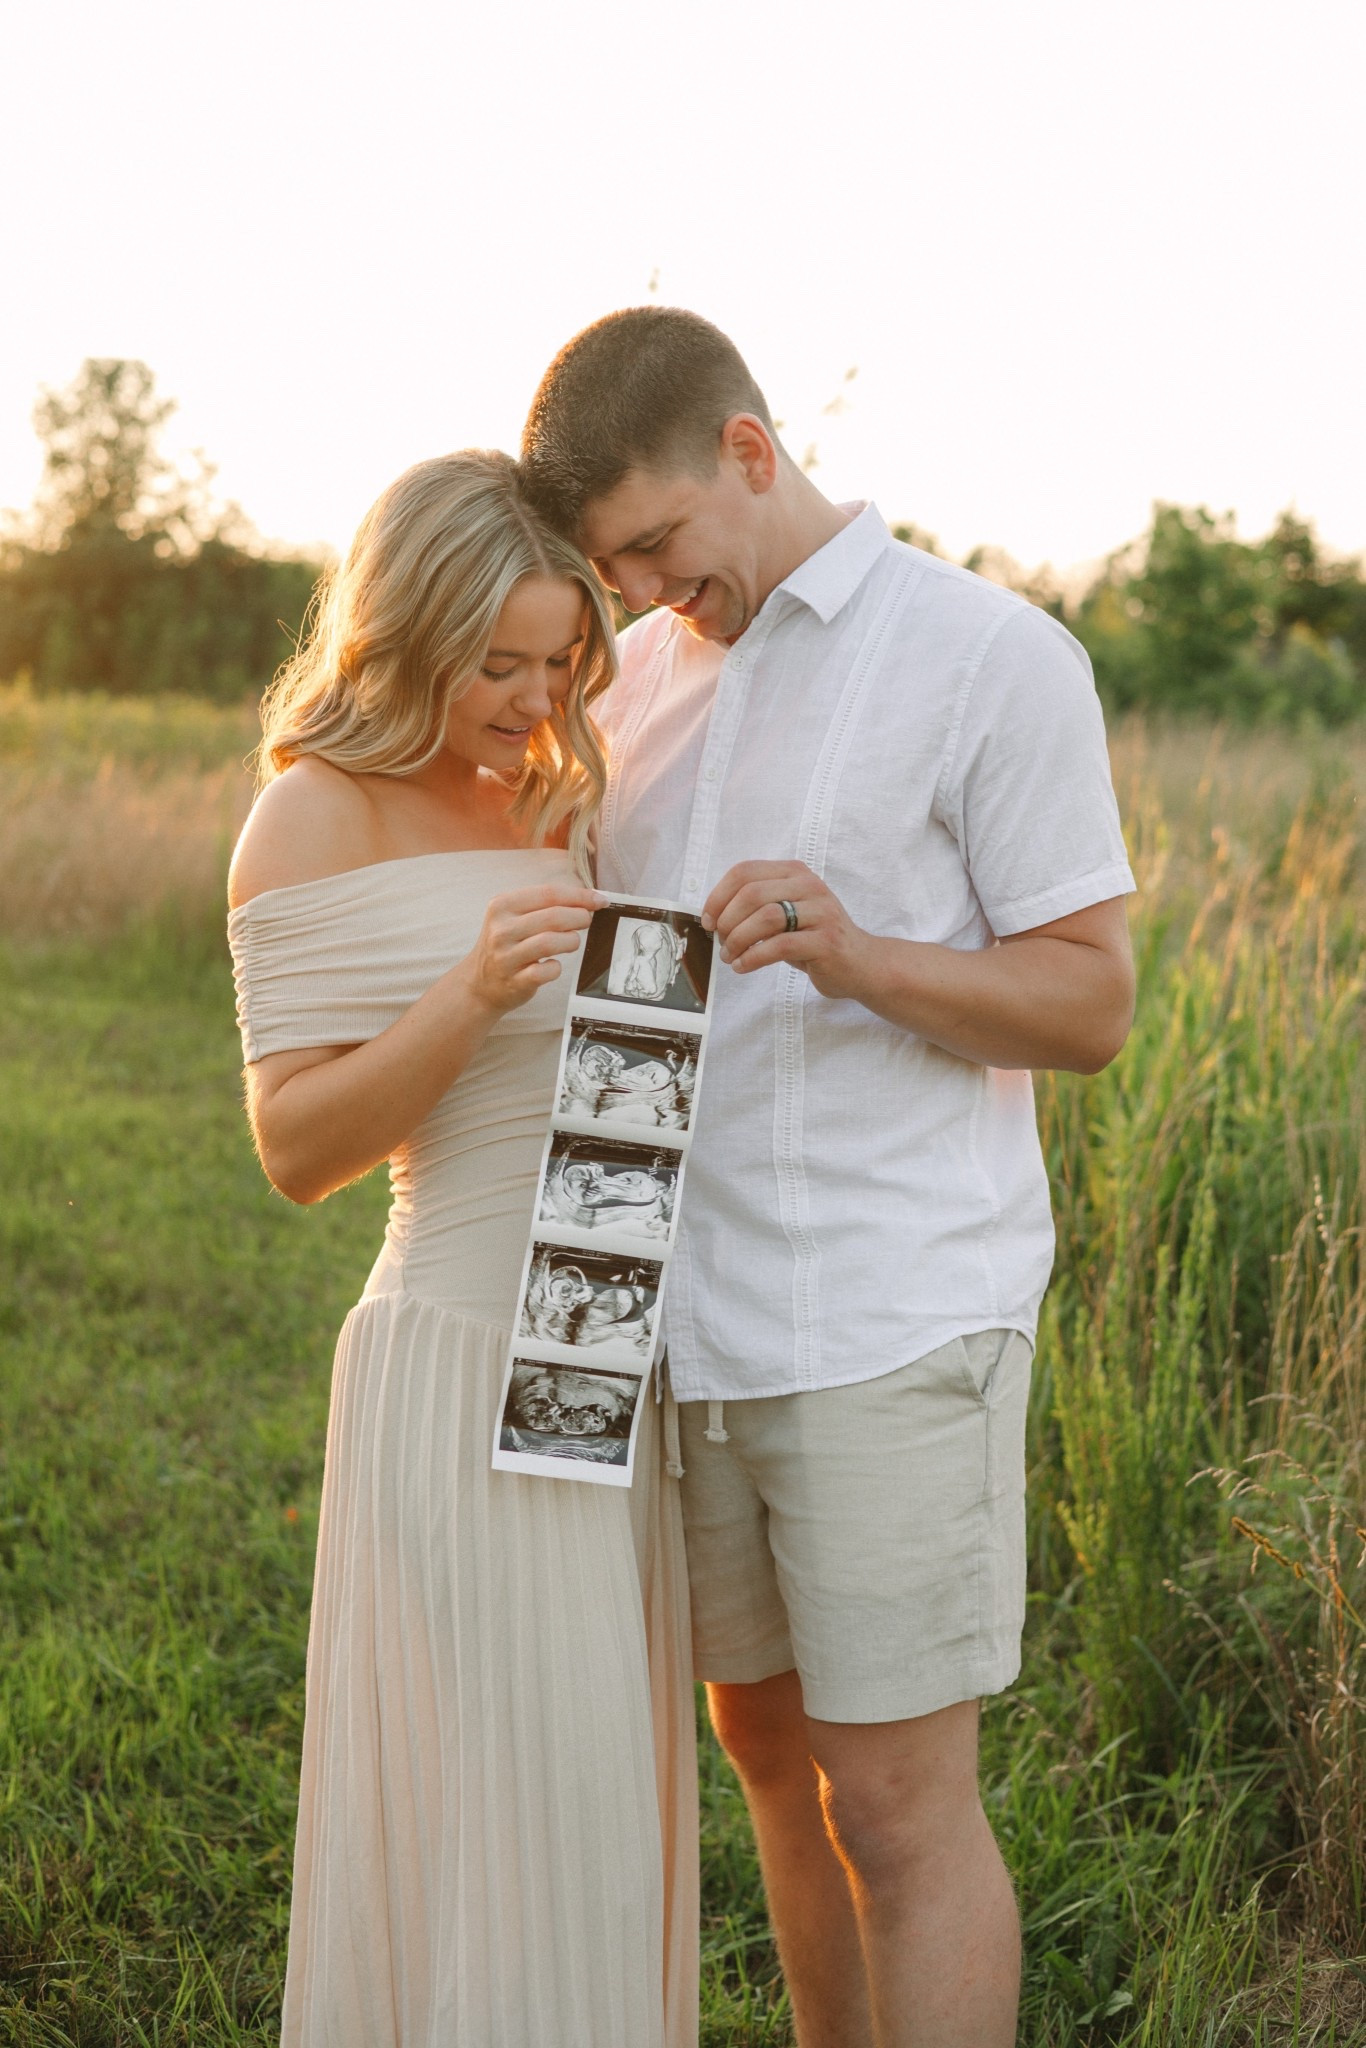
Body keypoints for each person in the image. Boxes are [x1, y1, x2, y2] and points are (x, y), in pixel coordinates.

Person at [520, 309, 1137, 2048]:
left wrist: (858, 953)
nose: (647, 591)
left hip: (883, 1316)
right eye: (613, 567)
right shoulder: (632, 688)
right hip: (682, 1331)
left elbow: (1089, 1004)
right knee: (775, 1780)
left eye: (657, 544)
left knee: (895, 1806)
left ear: (748, 448)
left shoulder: (989, 659)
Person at [226, 450, 697, 2048]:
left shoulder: (561, 798)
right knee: (490, 1785)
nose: (531, 692)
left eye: (559, 657)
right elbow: (296, 1151)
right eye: (495, 660)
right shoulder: (309, 813)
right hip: (448, 1350)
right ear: (401, 632)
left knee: (587, 1805)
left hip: (592, 1339)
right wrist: (465, 998)